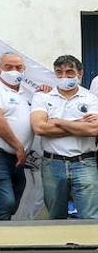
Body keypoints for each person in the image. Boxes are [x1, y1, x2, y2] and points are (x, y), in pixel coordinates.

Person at [30, 54, 98, 220]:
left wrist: (58, 121)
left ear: (80, 74)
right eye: (59, 72)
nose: (64, 76)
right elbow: (39, 127)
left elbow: (94, 129)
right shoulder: (42, 96)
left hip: (85, 163)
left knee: (90, 217)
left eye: (69, 72)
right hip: (53, 164)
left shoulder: (91, 98)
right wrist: (78, 124)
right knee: (55, 217)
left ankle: (89, 247)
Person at [0, 52, 36, 220]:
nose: (14, 71)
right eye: (8, 67)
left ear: (24, 70)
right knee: (5, 202)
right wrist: (19, 146)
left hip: (17, 158)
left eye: (18, 68)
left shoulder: (26, 93)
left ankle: (0, 231)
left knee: (11, 203)